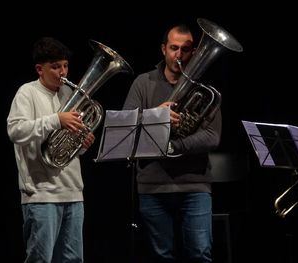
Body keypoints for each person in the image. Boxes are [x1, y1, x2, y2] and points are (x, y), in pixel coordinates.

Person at [123, 23, 221, 263]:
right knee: (161, 256)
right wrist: (156, 116)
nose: (179, 55)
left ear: (195, 52)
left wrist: (175, 146)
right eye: (174, 48)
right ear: (163, 49)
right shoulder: (143, 83)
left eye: (185, 49)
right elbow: (124, 127)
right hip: (152, 185)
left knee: (200, 254)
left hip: (194, 185)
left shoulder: (206, 91)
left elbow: (212, 136)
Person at [7, 37, 95, 262]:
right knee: (40, 259)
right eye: (55, 67)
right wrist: (56, 120)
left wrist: (82, 145)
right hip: (41, 194)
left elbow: (68, 144)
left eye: (65, 65)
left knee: (74, 259)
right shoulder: (27, 93)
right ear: (40, 69)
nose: (63, 72)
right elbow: (16, 131)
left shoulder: (68, 94)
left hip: (74, 192)